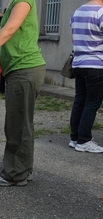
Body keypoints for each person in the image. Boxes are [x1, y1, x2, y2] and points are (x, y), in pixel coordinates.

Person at [0, 0, 46, 186]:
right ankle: (23, 169)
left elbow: (10, 29)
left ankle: (15, 174)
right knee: (21, 123)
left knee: (18, 124)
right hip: (19, 69)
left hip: (25, 69)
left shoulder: (23, 0)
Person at [68, 0, 103, 153]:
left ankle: (74, 138)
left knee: (80, 100)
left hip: (78, 63)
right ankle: (84, 140)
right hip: (96, 65)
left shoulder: (77, 12)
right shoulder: (100, 13)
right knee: (92, 102)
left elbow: (73, 38)